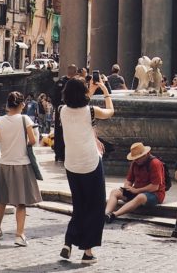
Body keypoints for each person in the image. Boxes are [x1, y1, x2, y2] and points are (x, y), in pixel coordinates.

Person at [59, 75, 114, 263]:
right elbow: (110, 112)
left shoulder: (62, 111)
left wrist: (90, 89)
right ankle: (87, 252)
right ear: (83, 93)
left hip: (72, 165)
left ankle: (68, 242)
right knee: (95, 207)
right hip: (90, 163)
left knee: (79, 205)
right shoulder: (91, 111)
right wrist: (104, 90)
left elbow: (79, 104)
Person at [0, 91, 41, 247]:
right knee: (21, 202)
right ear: (21, 104)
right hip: (21, 164)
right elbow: (33, 140)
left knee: (1, 200)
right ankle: (19, 235)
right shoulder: (25, 119)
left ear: (7, 104)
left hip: (4, 164)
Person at [106, 142, 166, 221]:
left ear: (146, 154)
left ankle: (114, 215)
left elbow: (155, 187)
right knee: (114, 192)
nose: (136, 160)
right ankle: (106, 213)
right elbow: (129, 180)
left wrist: (137, 190)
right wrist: (127, 187)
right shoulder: (135, 163)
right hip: (136, 192)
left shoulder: (155, 163)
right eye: (135, 158)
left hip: (154, 194)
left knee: (140, 197)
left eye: (138, 158)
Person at [51, 64, 77, 163]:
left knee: (59, 132)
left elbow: (53, 97)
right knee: (69, 133)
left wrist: (57, 107)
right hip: (71, 111)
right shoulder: (75, 83)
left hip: (61, 111)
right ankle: (64, 154)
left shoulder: (60, 82)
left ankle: (59, 154)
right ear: (75, 72)